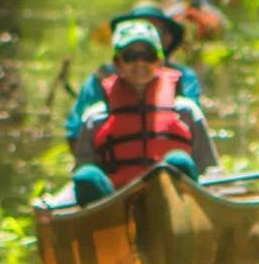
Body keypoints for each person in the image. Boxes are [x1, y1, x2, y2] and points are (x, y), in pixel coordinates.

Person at [68, 20, 219, 205]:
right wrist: (50, 206)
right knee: (86, 177)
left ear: (160, 60)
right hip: (116, 209)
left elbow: (211, 171)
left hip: (175, 209)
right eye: (131, 55)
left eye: (148, 55)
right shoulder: (95, 119)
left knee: (178, 162)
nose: (140, 62)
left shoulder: (187, 112)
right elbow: (77, 181)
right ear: (117, 63)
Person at [63, 4, 201, 146]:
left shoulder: (184, 79)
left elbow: (192, 127)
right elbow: (75, 131)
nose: (142, 34)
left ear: (168, 38)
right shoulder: (100, 79)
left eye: (155, 30)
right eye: (131, 55)